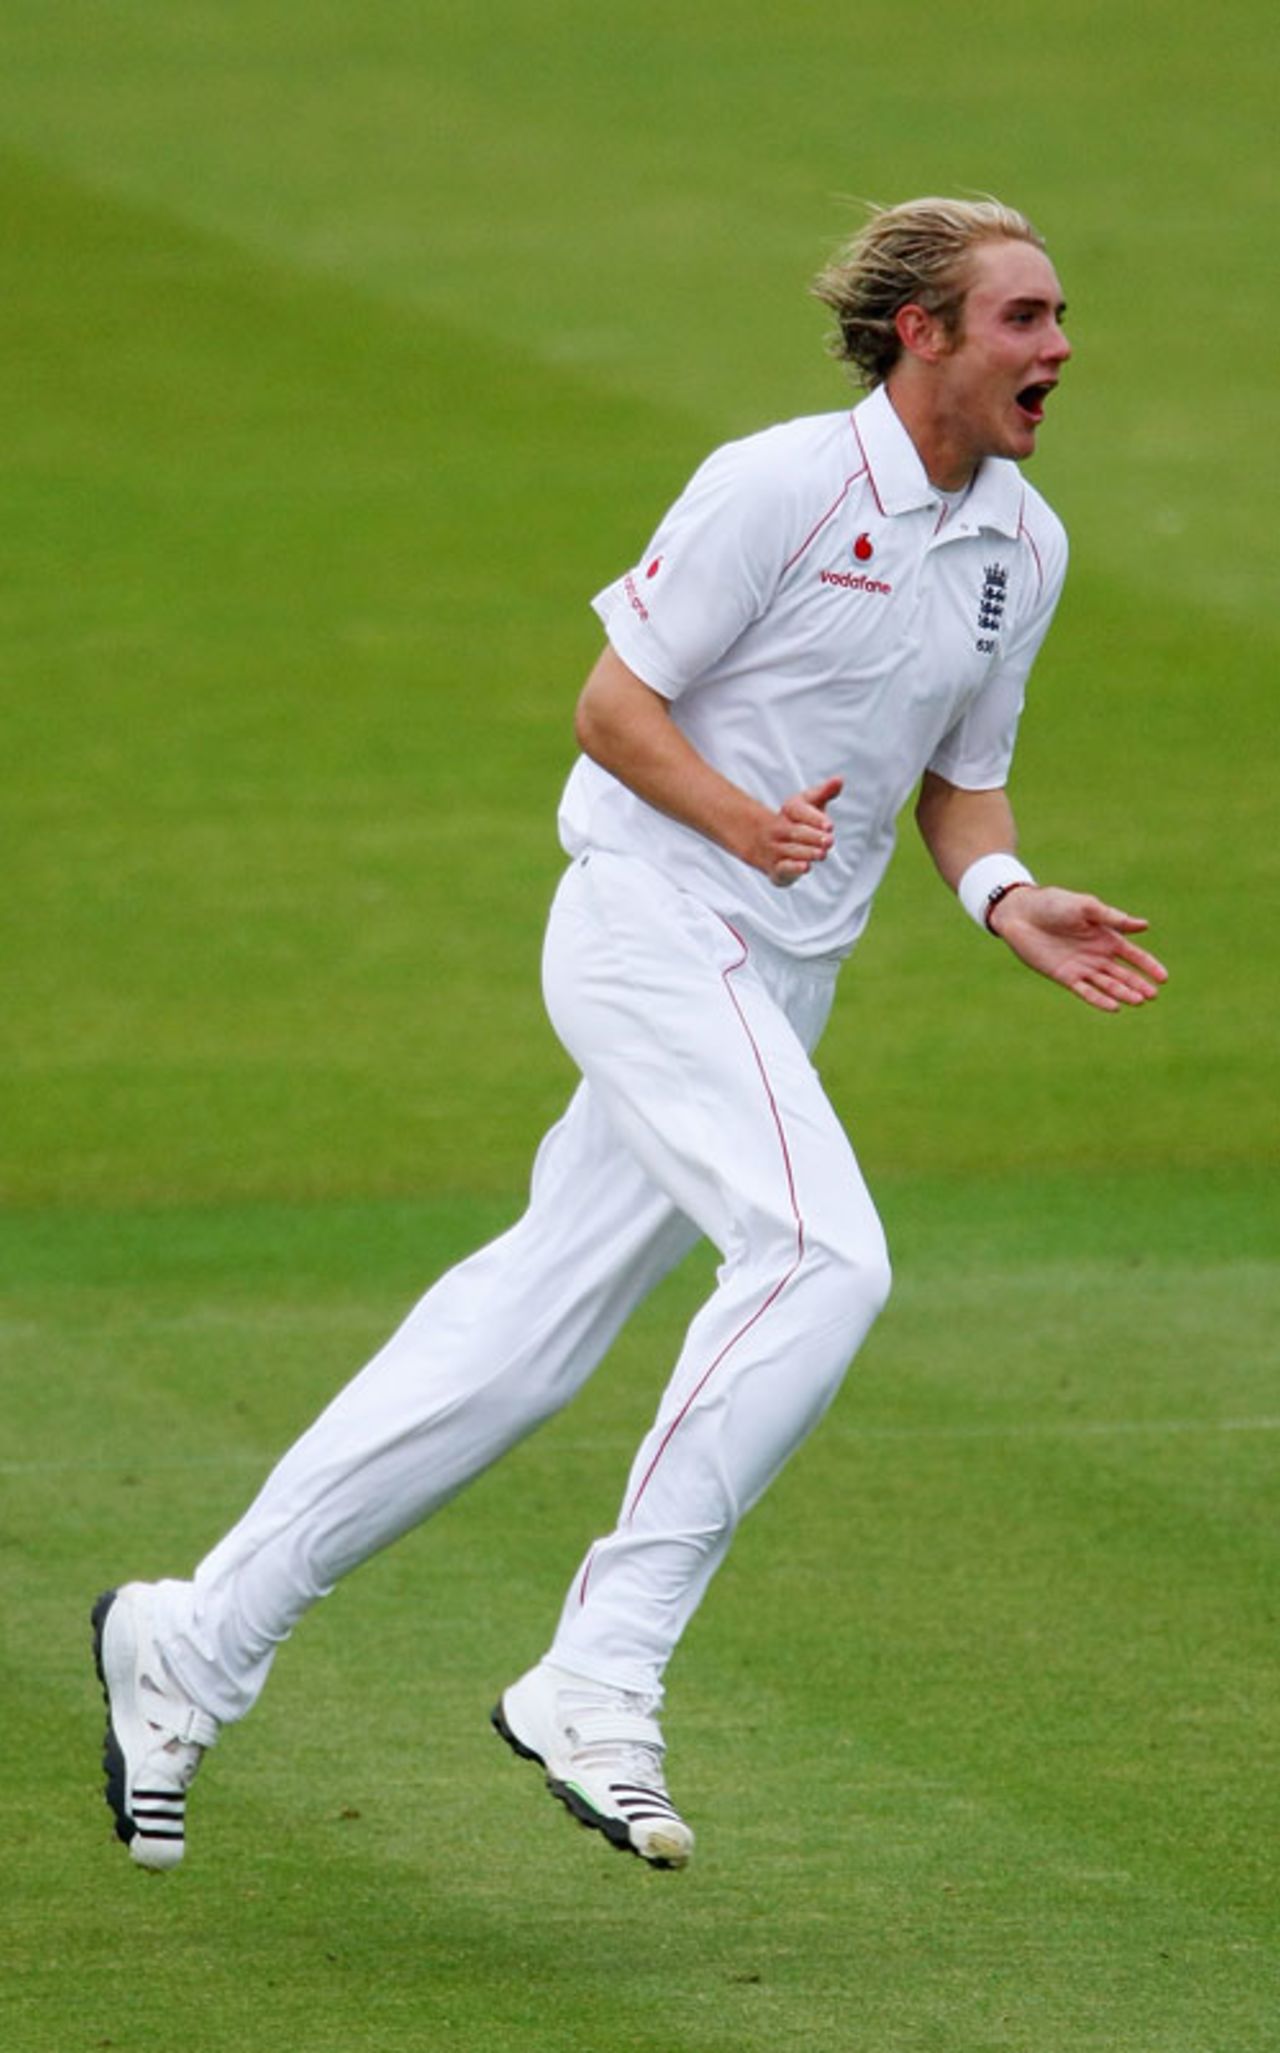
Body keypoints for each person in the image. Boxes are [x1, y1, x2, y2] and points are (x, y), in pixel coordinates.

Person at [92, 197, 1167, 1876]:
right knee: (824, 1255)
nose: (1061, 347)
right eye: (1025, 317)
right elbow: (614, 706)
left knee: (525, 1331)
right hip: (648, 925)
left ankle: (194, 1632)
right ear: (925, 336)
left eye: (1060, 314)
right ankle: (599, 1668)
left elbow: (963, 783)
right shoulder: (778, 483)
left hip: (772, 980)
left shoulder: (1024, 547)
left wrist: (1007, 894)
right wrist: (743, 825)